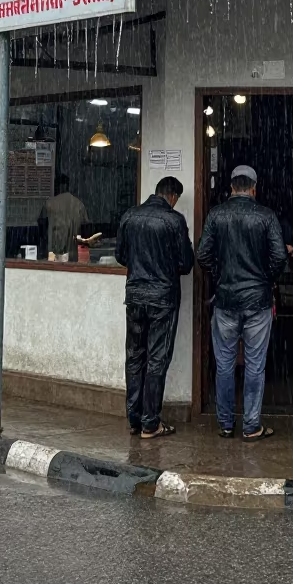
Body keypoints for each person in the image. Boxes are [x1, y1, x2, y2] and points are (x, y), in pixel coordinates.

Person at [197, 165, 287, 440]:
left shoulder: (216, 214)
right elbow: (280, 257)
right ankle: (251, 425)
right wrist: (265, 278)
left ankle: (225, 423)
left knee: (223, 364)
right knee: (254, 364)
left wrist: (220, 273)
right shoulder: (266, 216)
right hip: (258, 301)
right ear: (254, 188)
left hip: (225, 299)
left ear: (231, 186)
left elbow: (202, 255)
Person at [114, 176, 194, 439]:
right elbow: (185, 264)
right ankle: (151, 423)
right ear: (172, 196)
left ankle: (134, 419)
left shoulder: (130, 216)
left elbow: (121, 256)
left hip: (135, 295)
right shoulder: (174, 220)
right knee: (157, 358)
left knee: (135, 357)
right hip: (162, 298)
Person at [41, 174, 88, 260]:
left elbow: (42, 226)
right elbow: (85, 230)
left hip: (53, 254)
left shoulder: (49, 204)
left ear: (57, 186)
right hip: (73, 255)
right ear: (67, 186)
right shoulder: (79, 204)